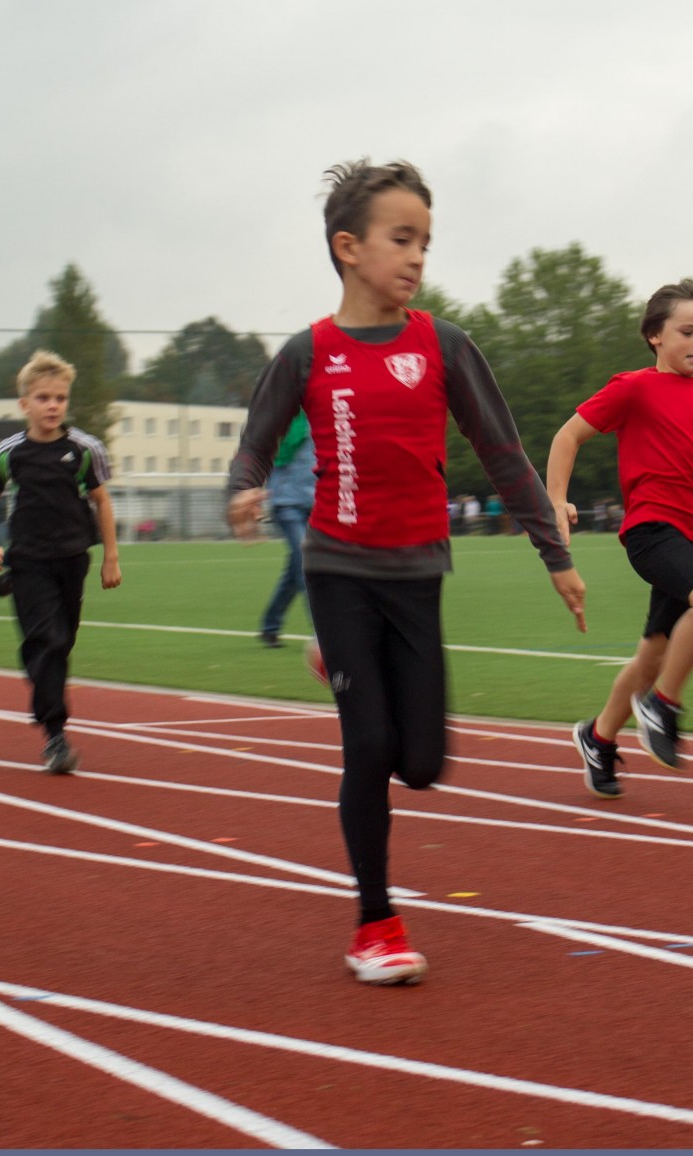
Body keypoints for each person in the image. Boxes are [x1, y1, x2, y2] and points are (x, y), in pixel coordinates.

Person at [226, 158, 587, 986]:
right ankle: (375, 923)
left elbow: (504, 455)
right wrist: (243, 489)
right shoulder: (307, 353)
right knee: (372, 747)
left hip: (418, 570)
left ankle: (330, 656)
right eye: (402, 238)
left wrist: (555, 555)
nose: (418, 256)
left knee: (423, 763)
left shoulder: (444, 346)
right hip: (338, 565)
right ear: (348, 248)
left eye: (425, 240)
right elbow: (254, 443)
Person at [547, 278, 693, 798]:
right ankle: (662, 705)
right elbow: (568, 435)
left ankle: (599, 737)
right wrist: (557, 498)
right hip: (653, 530)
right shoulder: (633, 388)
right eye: (687, 332)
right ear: (655, 335)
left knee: (653, 651)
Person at [0, 350, 121, 775]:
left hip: (73, 560)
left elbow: (102, 502)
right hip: (28, 562)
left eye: (59, 398)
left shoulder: (85, 449)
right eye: (43, 398)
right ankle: (55, 736)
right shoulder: (10, 453)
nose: (52, 405)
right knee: (50, 642)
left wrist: (111, 557)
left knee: (61, 642)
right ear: (25, 404)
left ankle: (44, 695)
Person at [257, 411, 317, 648]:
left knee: (295, 569)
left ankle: (270, 625)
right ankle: (323, 631)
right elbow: (270, 451)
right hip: (286, 503)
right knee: (306, 562)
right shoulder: (287, 420)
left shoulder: (325, 419)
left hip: (314, 503)